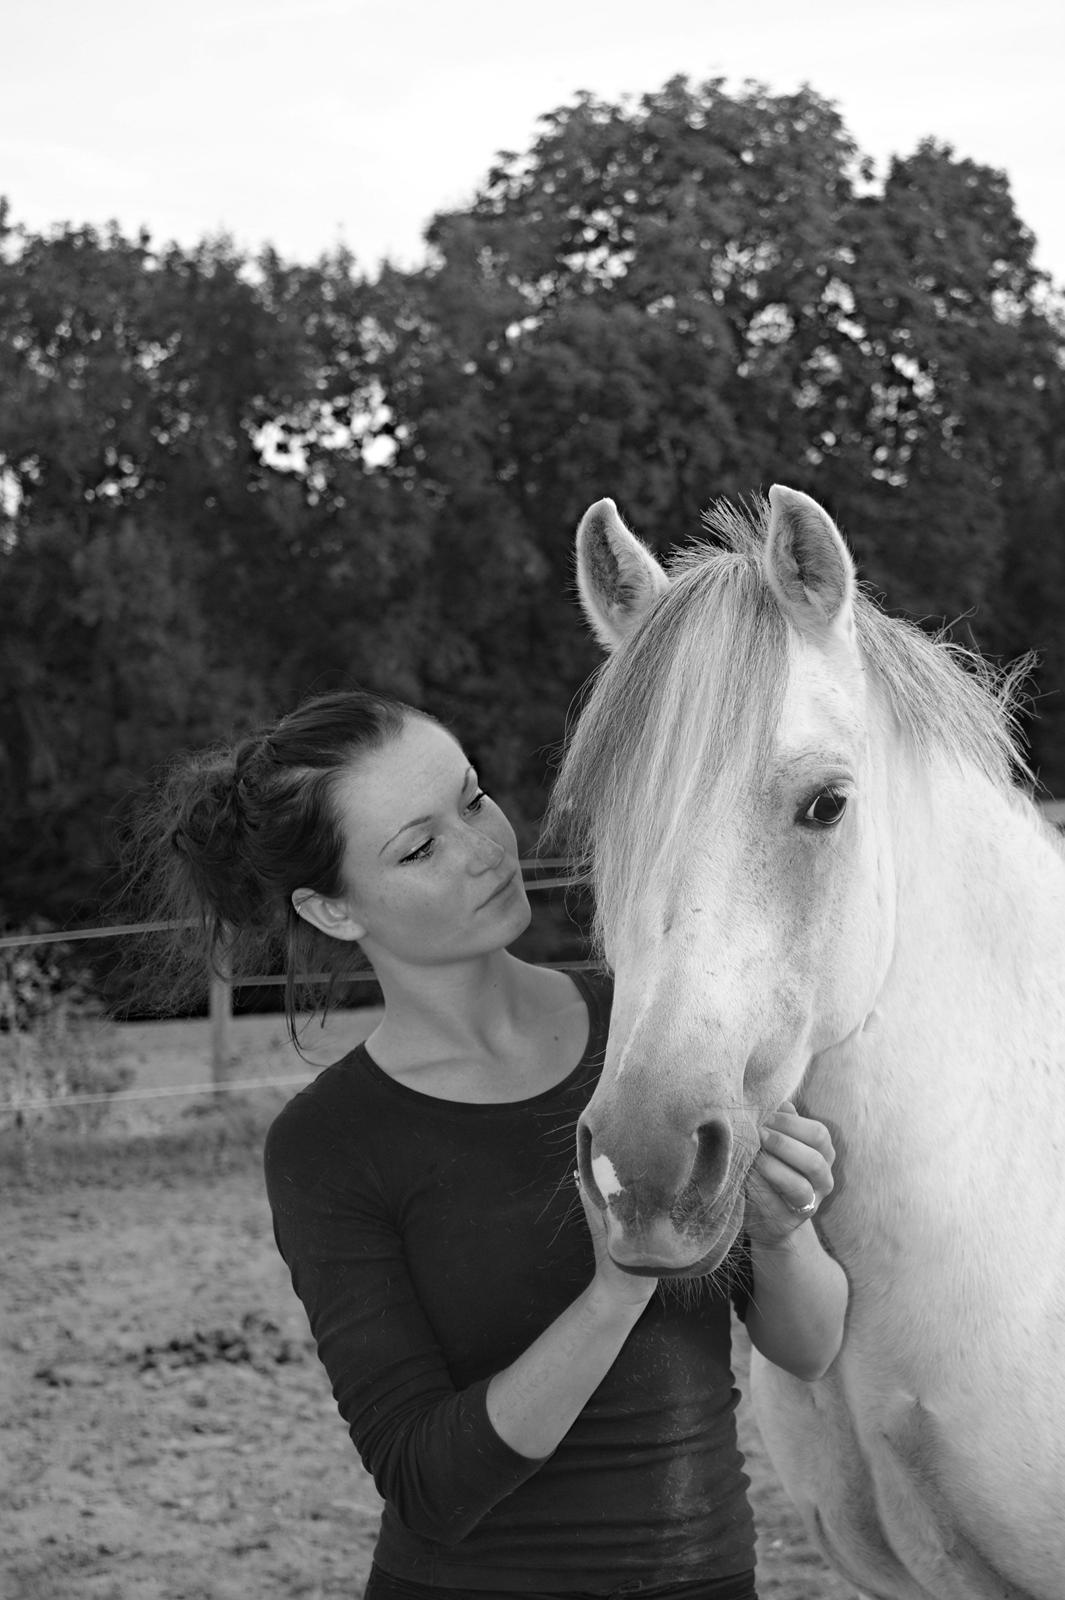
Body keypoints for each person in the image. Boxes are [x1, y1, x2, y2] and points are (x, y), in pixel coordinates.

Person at [152, 687, 848, 1600]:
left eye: (473, 798)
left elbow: (807, 1348)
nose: (486, 849)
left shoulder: (648, 1038)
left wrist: (785, 1230)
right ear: (333, 911)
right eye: (420, 847)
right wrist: (614, 1290)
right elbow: (427, 1484)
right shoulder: (329, 1143)